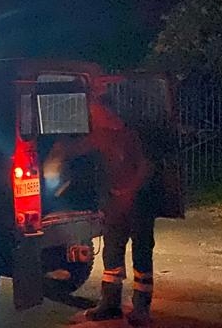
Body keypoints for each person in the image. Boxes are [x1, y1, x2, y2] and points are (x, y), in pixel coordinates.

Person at [45, 98, 156, 326]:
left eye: (95, 113)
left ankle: (142, 307)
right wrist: (60, 149)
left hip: (139, 202)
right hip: (115, 203)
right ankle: (110, 304)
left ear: (108, 113)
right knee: (112, 253)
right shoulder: (101, 134)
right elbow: (77, 148)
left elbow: (146, 167)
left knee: (142, 252)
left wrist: (128, 190)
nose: (92, 117)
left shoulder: (131, 135)